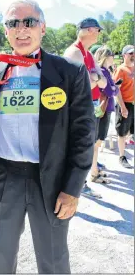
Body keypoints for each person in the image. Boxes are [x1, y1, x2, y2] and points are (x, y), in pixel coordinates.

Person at [0, 0, 95, 274]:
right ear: (5, 30)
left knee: (54, 259)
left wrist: (72, 189)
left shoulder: (69, 71)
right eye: (13, 23)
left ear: (43, 28)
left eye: (29, 22)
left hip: (50, 181)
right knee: (3, 254)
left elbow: (84, 133)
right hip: (4, 176)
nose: (21, 29)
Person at [64, 18, 107, 198]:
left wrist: (94, 77)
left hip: (87, 107)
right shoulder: (74, 52)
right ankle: (74, 187)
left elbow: (103, 81)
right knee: (77, 148)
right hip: (76, 109)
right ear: (90, 30)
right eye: (98, 30)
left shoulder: (87, 54)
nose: (99, 34)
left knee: (85, 146)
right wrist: (94, 78)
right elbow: (83, 86)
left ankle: (80, 185)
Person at [92, 46, 119, 182]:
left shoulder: (103, 71)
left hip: (104, 108)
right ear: (106, 56)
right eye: (112, 55)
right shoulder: (103, 71)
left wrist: (114, 88)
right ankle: (94, 171)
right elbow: (110, 91)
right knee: (97, 141)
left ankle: (94, 167)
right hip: (103, 109)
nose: (113, 57)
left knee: (98, 141)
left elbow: (112, 89)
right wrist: (115, 88)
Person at [113, 45, 134, 168]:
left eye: (134, 53)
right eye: (130, 53)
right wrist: (123, 107)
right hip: (125, 104)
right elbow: (116, 89)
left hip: (133, 103)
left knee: (131, 132)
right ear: (124, 55)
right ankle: (122, 156)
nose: (133, 55)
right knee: (122, 132)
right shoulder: (121, 70)